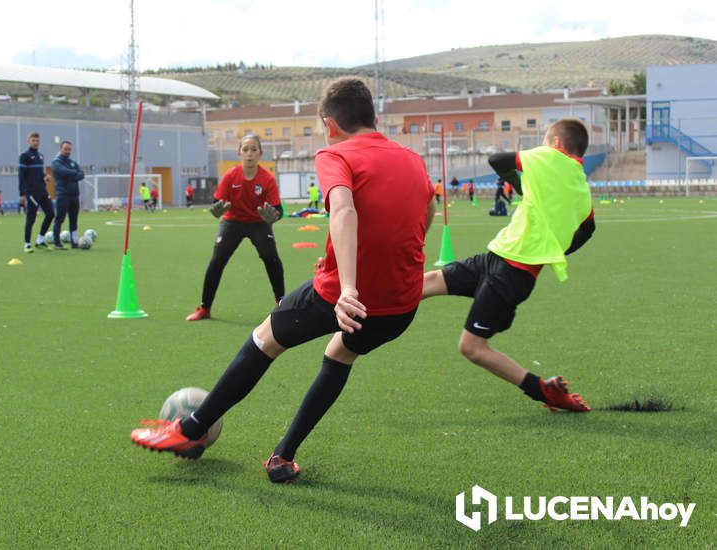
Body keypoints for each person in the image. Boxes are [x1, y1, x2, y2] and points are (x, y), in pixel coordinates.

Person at [133, 78, 436, 484]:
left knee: (263, 339)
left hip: (344, 298)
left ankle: (190, 430)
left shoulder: (335, 153)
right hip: (400, 308)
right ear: (374, 118)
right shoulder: (412, 159)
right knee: (340, 354)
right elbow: (428, 208)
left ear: (329, 124)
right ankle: (283, 456)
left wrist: (348, 288)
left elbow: (343, 211)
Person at [422, 118, 596, 413]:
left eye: (544, 142)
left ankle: (543, 390)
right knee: (426, 282)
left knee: (472, 347)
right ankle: (362, 307)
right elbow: (588, 228)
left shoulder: (549, 156)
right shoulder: (580, 185)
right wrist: (556, 249)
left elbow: (497, 160)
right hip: (498, 257)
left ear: (555, 144)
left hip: (510, 273)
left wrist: (519, 184)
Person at [184, 134, 286, 322]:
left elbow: (278, 210)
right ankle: (205, 308)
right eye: (245, 149)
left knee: (271, 258)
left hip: (259, 223)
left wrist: (274, 217)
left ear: (260, 153)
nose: (249, 154)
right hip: (233, 222)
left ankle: (282, 304)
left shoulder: (267, 179)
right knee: (217, 261)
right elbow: (217, 203)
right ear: (239, 153)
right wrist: (216, 210)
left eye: (254, 149)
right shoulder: (231, 175)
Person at [19, 132, 55, 253]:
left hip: (43, 190)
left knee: (50, 214)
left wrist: (45, 176)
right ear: (28, 141)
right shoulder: (24, 156)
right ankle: (27, 244)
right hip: (32, 192)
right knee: (31, 218)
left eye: (37, 140)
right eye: (33, 140)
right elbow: (21, 176)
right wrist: (22, 194)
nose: (35, 142)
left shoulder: (41, 156)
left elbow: (39, 173)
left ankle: (40, 240)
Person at [51, 140, 84, 250]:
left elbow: (81, 174)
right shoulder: (56, 162)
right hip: (63, 195)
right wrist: (74, 173)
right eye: (65, 149)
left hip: (74, 195)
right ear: (60, 149)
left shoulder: (73, 162)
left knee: (74, 219)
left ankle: (74, 242)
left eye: (69, 149)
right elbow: (63, 172)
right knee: (60, 219)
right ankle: (57, 243)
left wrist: (72, 174)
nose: (67, 151)